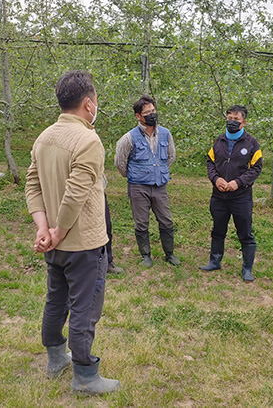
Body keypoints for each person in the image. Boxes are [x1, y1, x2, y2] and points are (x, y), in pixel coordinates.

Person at [25, 70, 120, 395]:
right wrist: (59, 231)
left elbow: (32, 185)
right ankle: (85, 376)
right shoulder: (87, 140)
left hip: (55, 243)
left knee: (56, 301)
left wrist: (45, 230)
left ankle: (56, 358)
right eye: (95, 100)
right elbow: (76, 194)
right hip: (83, 244)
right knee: (85, 308)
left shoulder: (44, 137)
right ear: (87, 103)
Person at [114, 95, 180, 267]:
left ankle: (170, 254)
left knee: (166, 220)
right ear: (138, 116)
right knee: (141, 221)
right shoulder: (128, 138)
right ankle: (146, 256)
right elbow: (120, 162)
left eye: (153, 111)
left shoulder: (165, 134)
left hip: (160, 186)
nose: (152, 114)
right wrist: (135, 175)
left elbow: (170, 157)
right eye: (147, 112)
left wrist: (158, 170)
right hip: (138, 187)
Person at [199, 105, 262, 282]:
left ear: (244, 122)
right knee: (218, 230)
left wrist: (238, 182)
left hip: (241, 197)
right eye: (229, 118)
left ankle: (247, 268)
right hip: (219, 196)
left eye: (236, 119)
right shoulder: (219, 141)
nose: (232, 122)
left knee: (245, 233)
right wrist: (216, 179)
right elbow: (210, 162)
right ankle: (215, 261)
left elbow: (257, 168)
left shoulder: (251, 143)